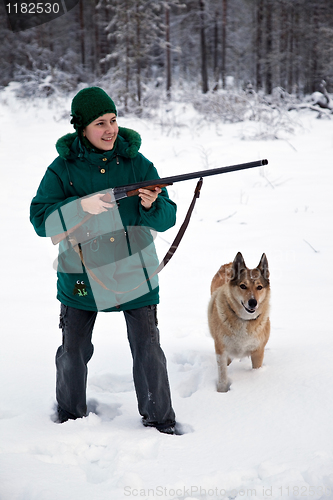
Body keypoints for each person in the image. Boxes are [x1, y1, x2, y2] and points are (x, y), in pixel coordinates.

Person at [30, 87, 178, 434]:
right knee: (74, 349)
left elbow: (167, 217)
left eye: (113, 120)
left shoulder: (137, 163)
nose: (110, 129)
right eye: (100, 123)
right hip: (80, 273)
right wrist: (80, 206)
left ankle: (159, 419)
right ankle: (69, 416)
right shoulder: (62, 169)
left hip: (134, 270)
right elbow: (41, 221)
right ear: (81, 128)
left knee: (148, 349)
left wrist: (149, 205)